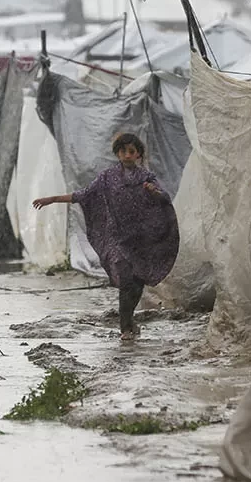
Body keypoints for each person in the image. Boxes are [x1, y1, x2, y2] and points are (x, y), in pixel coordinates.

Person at [32, 133, 179, 340]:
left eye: (131, 151)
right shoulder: (107, 177)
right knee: (127, 279)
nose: (126, 155)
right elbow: (84, 195)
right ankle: (125, 328)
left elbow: (165, 198)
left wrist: (154, 191)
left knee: (137, 283)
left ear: (138, 154)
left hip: (141, 239)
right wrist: (53, 198)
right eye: (122, 151)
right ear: (117, 153)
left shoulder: (146, 178)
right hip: (117, 239)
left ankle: (129, 320)